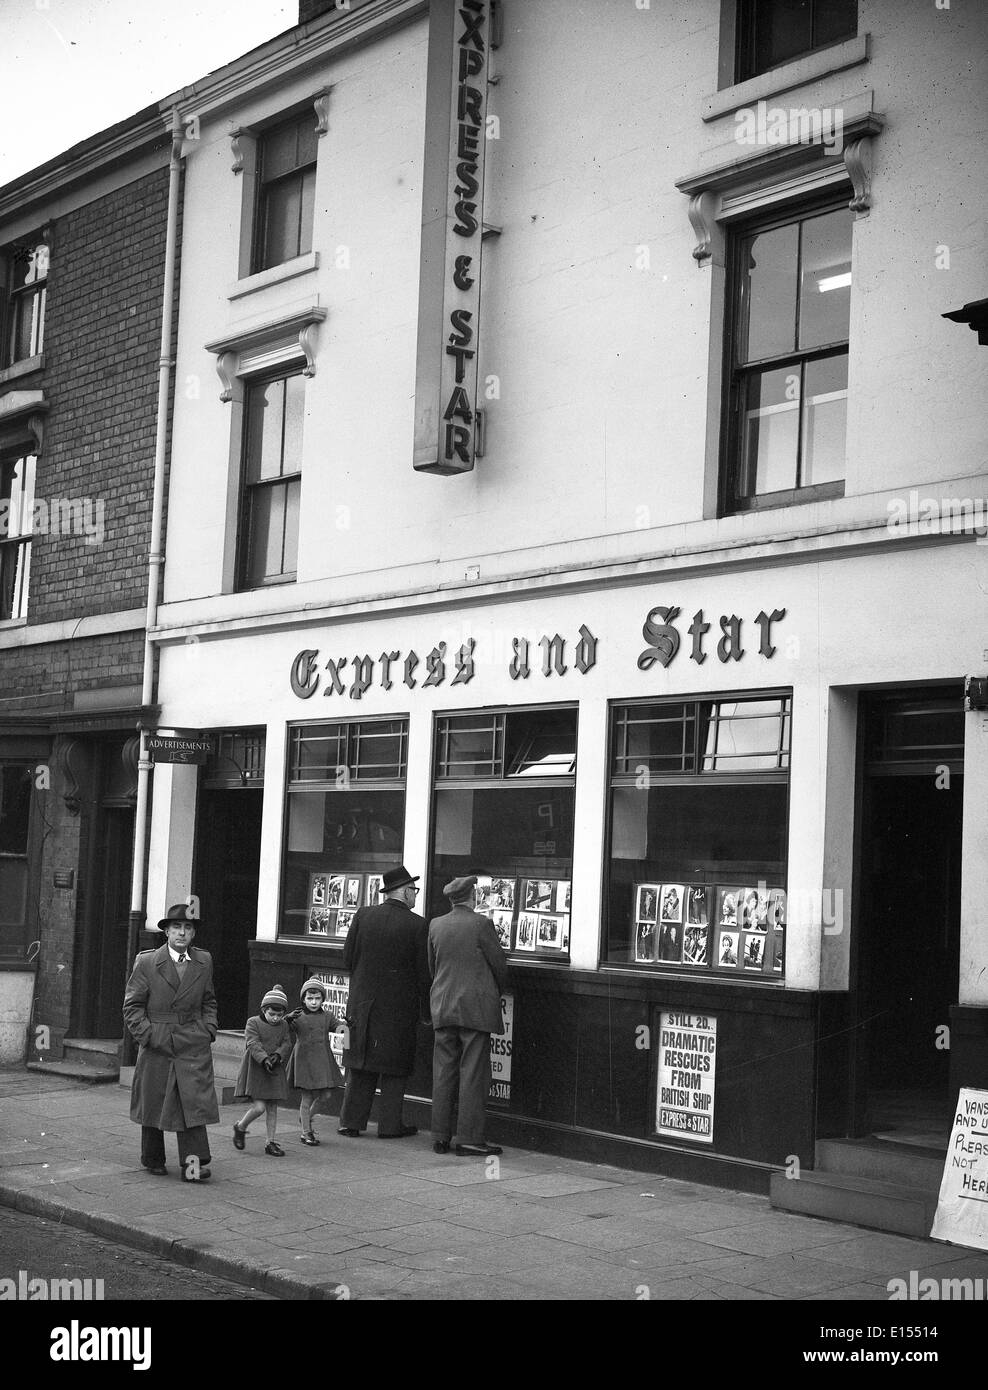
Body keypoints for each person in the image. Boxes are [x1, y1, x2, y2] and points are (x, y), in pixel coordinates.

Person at [122, 902, 218, 1183]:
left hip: (192, 1041)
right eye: (176, 927)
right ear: (166, 931)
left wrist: (209, 1029)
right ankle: (153, 1160)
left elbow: (209, 1000)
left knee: (193, 1104)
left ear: (193, 934)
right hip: (158, 1041)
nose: (182, 933)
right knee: (154, 1100)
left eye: (188, 928)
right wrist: (150, 1036)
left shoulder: (204, 961)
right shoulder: (148, 962)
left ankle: (193, 1167)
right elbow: (132, 1007)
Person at [337, 864, 429, 1139]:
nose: (416, 895)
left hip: (361, 1004)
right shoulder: (418, 924)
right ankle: (390, 1126)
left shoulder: (363, 916)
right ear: (403, 892)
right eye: (414, 890)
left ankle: (350, 1122)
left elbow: (347, 959)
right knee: (395, 1067)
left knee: (360, 1062)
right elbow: (423, 973)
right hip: (398, 1008)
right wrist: (424, 1010)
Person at [428, 875, 508, 1157]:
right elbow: (499, 964)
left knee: (443, 1072)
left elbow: (432, 966)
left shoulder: (436, 925)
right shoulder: (481, 924)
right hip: (474, 1008)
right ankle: (469, 1138)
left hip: (443, 1005)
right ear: (472, 897)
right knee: (473, 1073)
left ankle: (440, 1136)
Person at [232, 985, 294, 1156]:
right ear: (264, 1010)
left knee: (272, 1107)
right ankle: (240, 1126)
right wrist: (264, 1058)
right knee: (259, 1108)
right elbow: (252, 1042)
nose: (275, 1018)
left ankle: (270, 1142)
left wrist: (278, 1055)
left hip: (274, 1068)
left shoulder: (283, 1026)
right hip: (258, 1069)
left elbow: (287, 1043)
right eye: (271, 1014)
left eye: (279, 1015)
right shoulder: (253, 1022)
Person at [287, 977, 345, 1144]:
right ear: (303, 999)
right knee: (306, 1097)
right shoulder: (297, 1016)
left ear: (322, 999)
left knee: (326, 1094)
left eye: (317, 998)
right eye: (310, 998)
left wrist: (347, 1026)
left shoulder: (327, 1016)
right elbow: (282, 1029)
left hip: (322, 1060)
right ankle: (306, 1132)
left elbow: (339, 1028)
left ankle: (306, 1117)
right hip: (304, 1061)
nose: (313, 1002)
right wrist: (287, 1018)